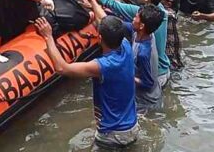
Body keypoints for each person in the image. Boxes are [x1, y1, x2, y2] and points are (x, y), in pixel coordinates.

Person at [34, 16, 139, 150]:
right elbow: (107, 22)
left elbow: (62, 68)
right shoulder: (126, 45)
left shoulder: (102, 66)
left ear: (100, 38)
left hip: (112, 135)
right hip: (132, 127)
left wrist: (48, 36)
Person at [64, 0, 172, 87]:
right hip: (163, 67)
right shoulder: (158, 10)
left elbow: (112, 4)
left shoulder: (141, 18)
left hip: (155, 75)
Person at [80, 0, 163, 110]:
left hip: (146, 101)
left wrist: (125, 74)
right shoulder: (141, 32)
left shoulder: (143, 53)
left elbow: (148, 83)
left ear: (142, 26)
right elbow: (108, 22)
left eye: (136, 17)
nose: (133, 19)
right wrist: (93, 2)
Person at [163, 0, 184, 70]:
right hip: (175, 59)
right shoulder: (173, 14)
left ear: (168, 4)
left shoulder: (167, 15)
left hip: (171, 62)